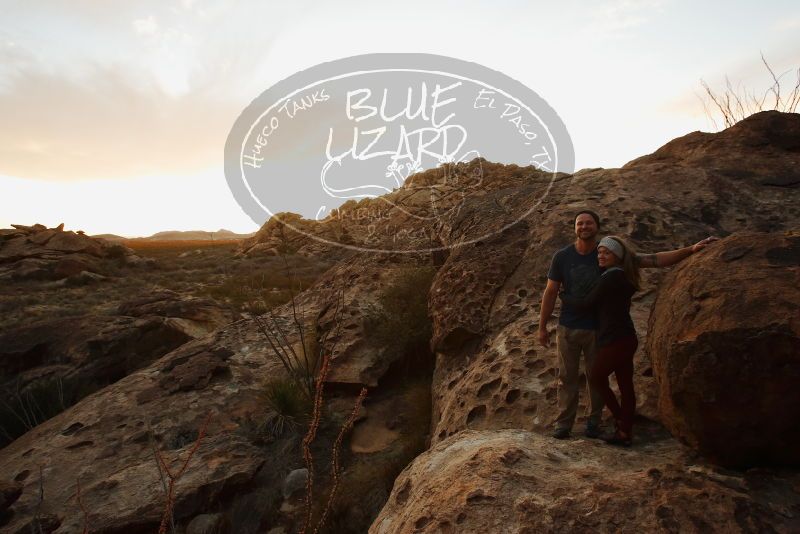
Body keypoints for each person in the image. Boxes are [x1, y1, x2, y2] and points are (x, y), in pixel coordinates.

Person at [538, 210, 717, 440]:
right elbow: (551, 290)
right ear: (574, 227)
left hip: (598, 330)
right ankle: (564, 424)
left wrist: (691, 250)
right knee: (567, 378)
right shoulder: (563, 256)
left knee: (596, 379)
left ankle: (595, 423)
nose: (584, 227)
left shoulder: (608, 253)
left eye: (589, 223)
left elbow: (654, 259)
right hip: (568, 326)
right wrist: (542, 327)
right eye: (579, 223)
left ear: (597, 226)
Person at [559, 236, 639, 446]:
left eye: (607, 253)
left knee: (596, 378)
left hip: (616, 339)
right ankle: (625, 433)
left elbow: (587, 303)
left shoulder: (611, 277)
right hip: (626, 337)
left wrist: (564, 297)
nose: (601, 256)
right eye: (599, 252)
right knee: (625, 385)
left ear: (617, 257)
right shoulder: (621, 276)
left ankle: (622, 420)